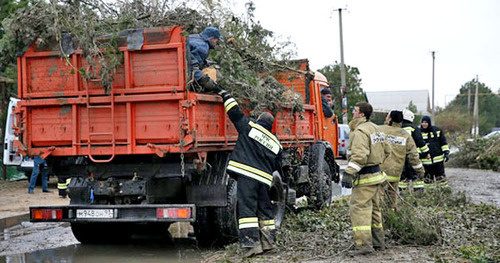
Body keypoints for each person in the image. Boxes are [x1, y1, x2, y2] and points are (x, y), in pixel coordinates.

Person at [212, 85, 282, 258]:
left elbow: (234, 112)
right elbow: (278, 167)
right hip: (265, 181)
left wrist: (224, 94)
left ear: (259, 120)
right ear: (271, 126)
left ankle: (252, 246)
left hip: (247, 177)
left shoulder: (250, 128)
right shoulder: (276, 144)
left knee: (247, 212)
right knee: (265, 211)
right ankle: (268, 244)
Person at [341, 102, 390, 255]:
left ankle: (363, 246)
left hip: (365, 178)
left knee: (360, 210)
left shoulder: (360, 131)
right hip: (377, 177)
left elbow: (360, 156)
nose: (353, 113)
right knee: (375, 210)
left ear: (362, 114)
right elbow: (387, 150)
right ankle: (378, 243)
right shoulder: (376, 128)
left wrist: (349, 173)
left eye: (355, 111)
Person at [380, 110, 424, 210]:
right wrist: (420, 171)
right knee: (392, 201)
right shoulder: (405, 135)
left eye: (387, 116)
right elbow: (413, 155)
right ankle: (391, 217)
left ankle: (380, 220)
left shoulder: (380, 130)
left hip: (381, 172)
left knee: (379, 201)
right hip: (395, 173)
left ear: (390, 118)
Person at [400, 109, 429, 191]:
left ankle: (403, 195)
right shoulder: (414, 128)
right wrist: (426, 152)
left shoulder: (397, 128)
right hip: (413, 157)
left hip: (400, 157)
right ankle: (418, 196)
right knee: (417, 177)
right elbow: (420, 142)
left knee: (403, 178)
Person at [420, 116, 450, 186]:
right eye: (423, 122)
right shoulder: (419, 133)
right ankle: (430, 194)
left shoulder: (437, 130)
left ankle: (444, 194)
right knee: (428, 182)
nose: (424, 124)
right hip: (426, 163)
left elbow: (443, 143)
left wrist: (446, 153)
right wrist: (422, 155)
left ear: (429, 123)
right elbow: (418, 146)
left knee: (441, 181)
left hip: (438, 162)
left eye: (426, 122)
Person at [189, 27, 221, 91]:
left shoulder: (192, 37)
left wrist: (205, 62)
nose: (216, 44)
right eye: (217, 41)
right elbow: (192, 66)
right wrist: (205, 80)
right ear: (212, 38)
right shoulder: (203, 46)